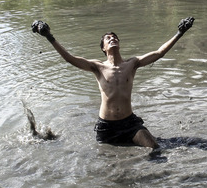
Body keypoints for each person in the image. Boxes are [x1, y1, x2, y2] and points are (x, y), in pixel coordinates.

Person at [31, 17, 194, 149]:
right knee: (109, 167)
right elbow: (70, 58)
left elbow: (159, 53)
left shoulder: (132, 63)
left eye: (115, 37)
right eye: (108, 38)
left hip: (130, 124)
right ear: (103, 48)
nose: (113, 39)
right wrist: (49, 36)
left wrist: (179, 33)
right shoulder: (97, 67)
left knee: (154, 148)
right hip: (106, 127)